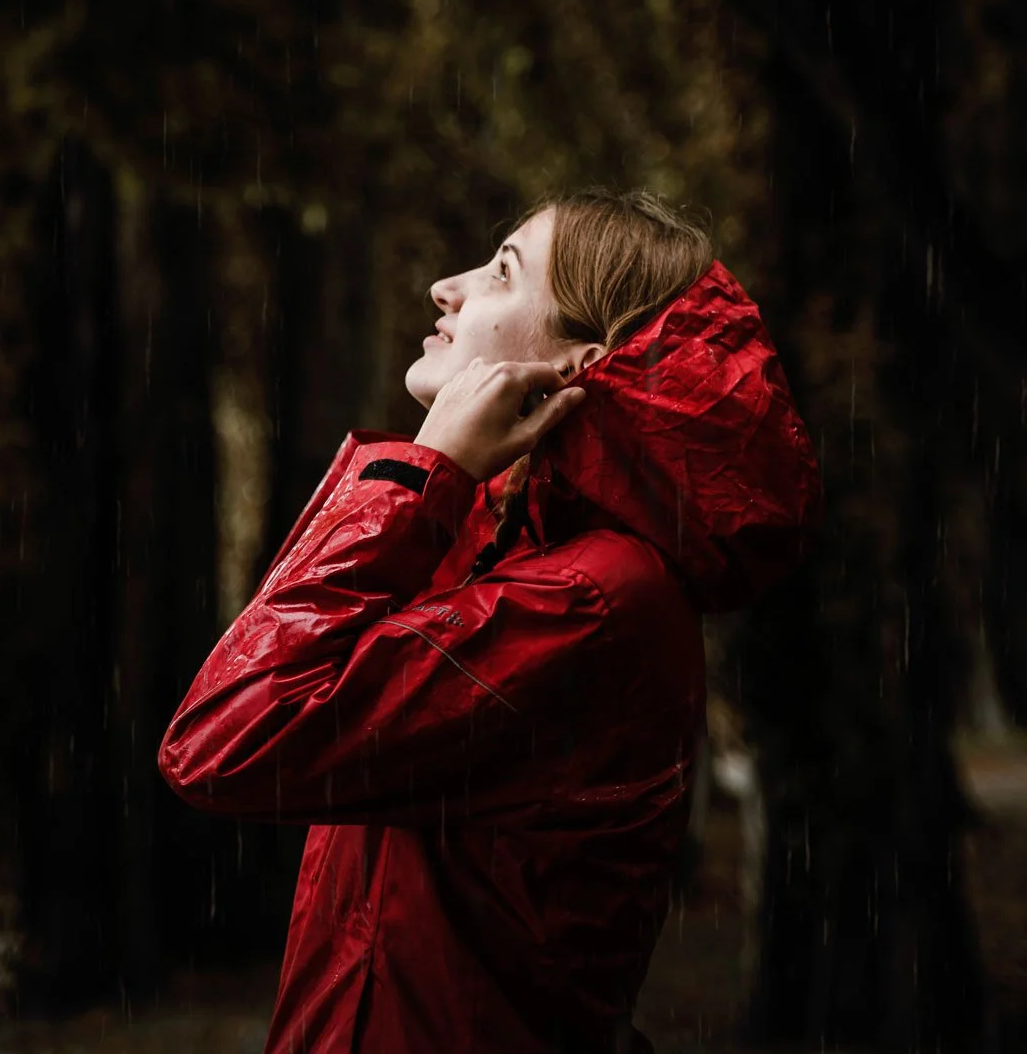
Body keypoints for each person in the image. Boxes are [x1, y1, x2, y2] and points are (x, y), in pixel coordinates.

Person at [158, 188, 822, 1054]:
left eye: (501, 273)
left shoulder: (592, 603)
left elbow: (225, 736)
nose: (446, 286)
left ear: (581, 365)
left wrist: (423, 470)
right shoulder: (512, 553)